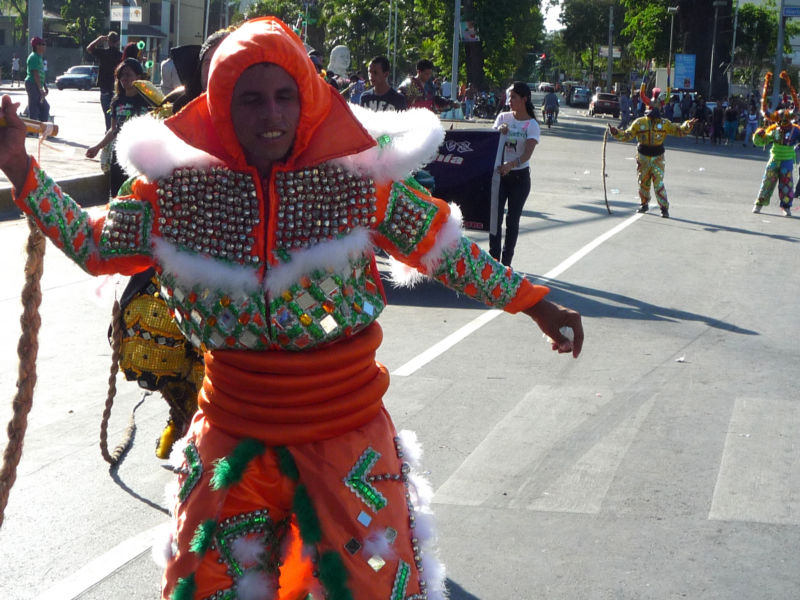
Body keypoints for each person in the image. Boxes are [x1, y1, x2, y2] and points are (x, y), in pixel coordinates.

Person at [0, 17, 583, 600]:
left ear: (306, 99)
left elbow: (449, 254)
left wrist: (534, 303)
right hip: (232, 439)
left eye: (284, 96)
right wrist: (21, 169)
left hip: (346, 442)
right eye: (251, 100)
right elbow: (97, 244)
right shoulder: (175, 190)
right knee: (205, 590)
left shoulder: (358, 182)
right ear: (222, 104)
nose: (271, 115)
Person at [608, 83, 696, 218]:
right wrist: (615, 132)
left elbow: (679, 131)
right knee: (643, 182)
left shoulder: (665, 123)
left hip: (658, 157)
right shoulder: (639, 122)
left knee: (658, 183)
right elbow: (627, 135)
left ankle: (664, 208)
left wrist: (687, 125)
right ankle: (644, 204)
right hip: (643, 156)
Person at [85, 58, 152, 196]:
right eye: (121, 75)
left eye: (128, 74)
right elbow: (113, 130)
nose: (124, 78)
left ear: (138, 77)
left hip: (140, 156)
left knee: (137, 194)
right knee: (117, 195)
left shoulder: (148, 102)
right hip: (119, 155)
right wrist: (97, 147)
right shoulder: (117, 102)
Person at [491, 82, 540, 266]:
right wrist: (498, 133)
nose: (510, 100)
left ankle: (506, 263)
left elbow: (527, 154)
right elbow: (490, 143)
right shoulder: (503, 117)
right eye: (509, 97)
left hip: (519, 178)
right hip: (499, 177)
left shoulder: (531, 125)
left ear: (524, 99)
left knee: (512, 221)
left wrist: (511, 165)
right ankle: (493, 260)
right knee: (494, 219)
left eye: (514, 97)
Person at [752, 71, 800, 217]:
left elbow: (796, 106)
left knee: (786, 184)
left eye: (786, 118)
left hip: (787, 160)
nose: (783, 121)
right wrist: (758, 135)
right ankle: (759, 204)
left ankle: (786, 207)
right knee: (767, 182)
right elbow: (761, 141)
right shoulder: (775, 131)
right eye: (780, 119)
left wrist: (789, 83)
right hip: (774, 158)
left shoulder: (795, 131)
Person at [87, 31, 123, 130]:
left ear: (108, 41)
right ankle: (114, 134)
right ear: (118, 42)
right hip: (117, 88)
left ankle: (109, 133)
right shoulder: (121, 55)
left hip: (105, 88)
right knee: (117, 115)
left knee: (108, 116)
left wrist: (99, 39)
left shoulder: (104, 53)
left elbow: (89, 48)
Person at [24, 37, 49, 123]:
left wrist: (45, 87)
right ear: (37, 46)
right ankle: (32, 129)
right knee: (33, 107)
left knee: (45, 107)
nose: (45, 46)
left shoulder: (39, 57)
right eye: (43, 44)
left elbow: (41, 73)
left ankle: (42, 129)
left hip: (37, 85)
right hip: (32, 84)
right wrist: (40, 89)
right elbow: (35, 74)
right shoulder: (33, 57)